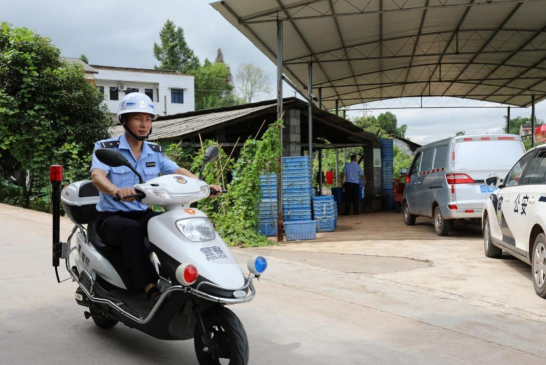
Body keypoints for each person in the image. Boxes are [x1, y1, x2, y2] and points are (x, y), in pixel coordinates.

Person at [90, 92, 221, 303]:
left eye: (148, 119)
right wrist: (116, 190)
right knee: (130, 230)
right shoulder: (106, 148)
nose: (144, 124)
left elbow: (178, 171)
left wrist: (203, 186)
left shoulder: (154, 151)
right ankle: (149, 288)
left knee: (174, 225)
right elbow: (97, 176)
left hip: (143, 213)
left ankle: (184, 279)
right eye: (138, 118)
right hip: (111, 216)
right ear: (125, 120)